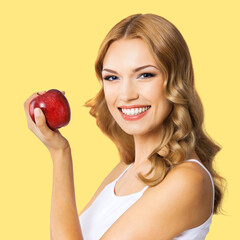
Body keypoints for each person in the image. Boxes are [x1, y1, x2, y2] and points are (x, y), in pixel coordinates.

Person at [24, 13, 226, 240]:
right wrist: (59, 150)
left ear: (176, 81)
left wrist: (60, 154)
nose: (126, 95)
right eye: (112, 78)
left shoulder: (188, 181)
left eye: (145, 75)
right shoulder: (126, 167)